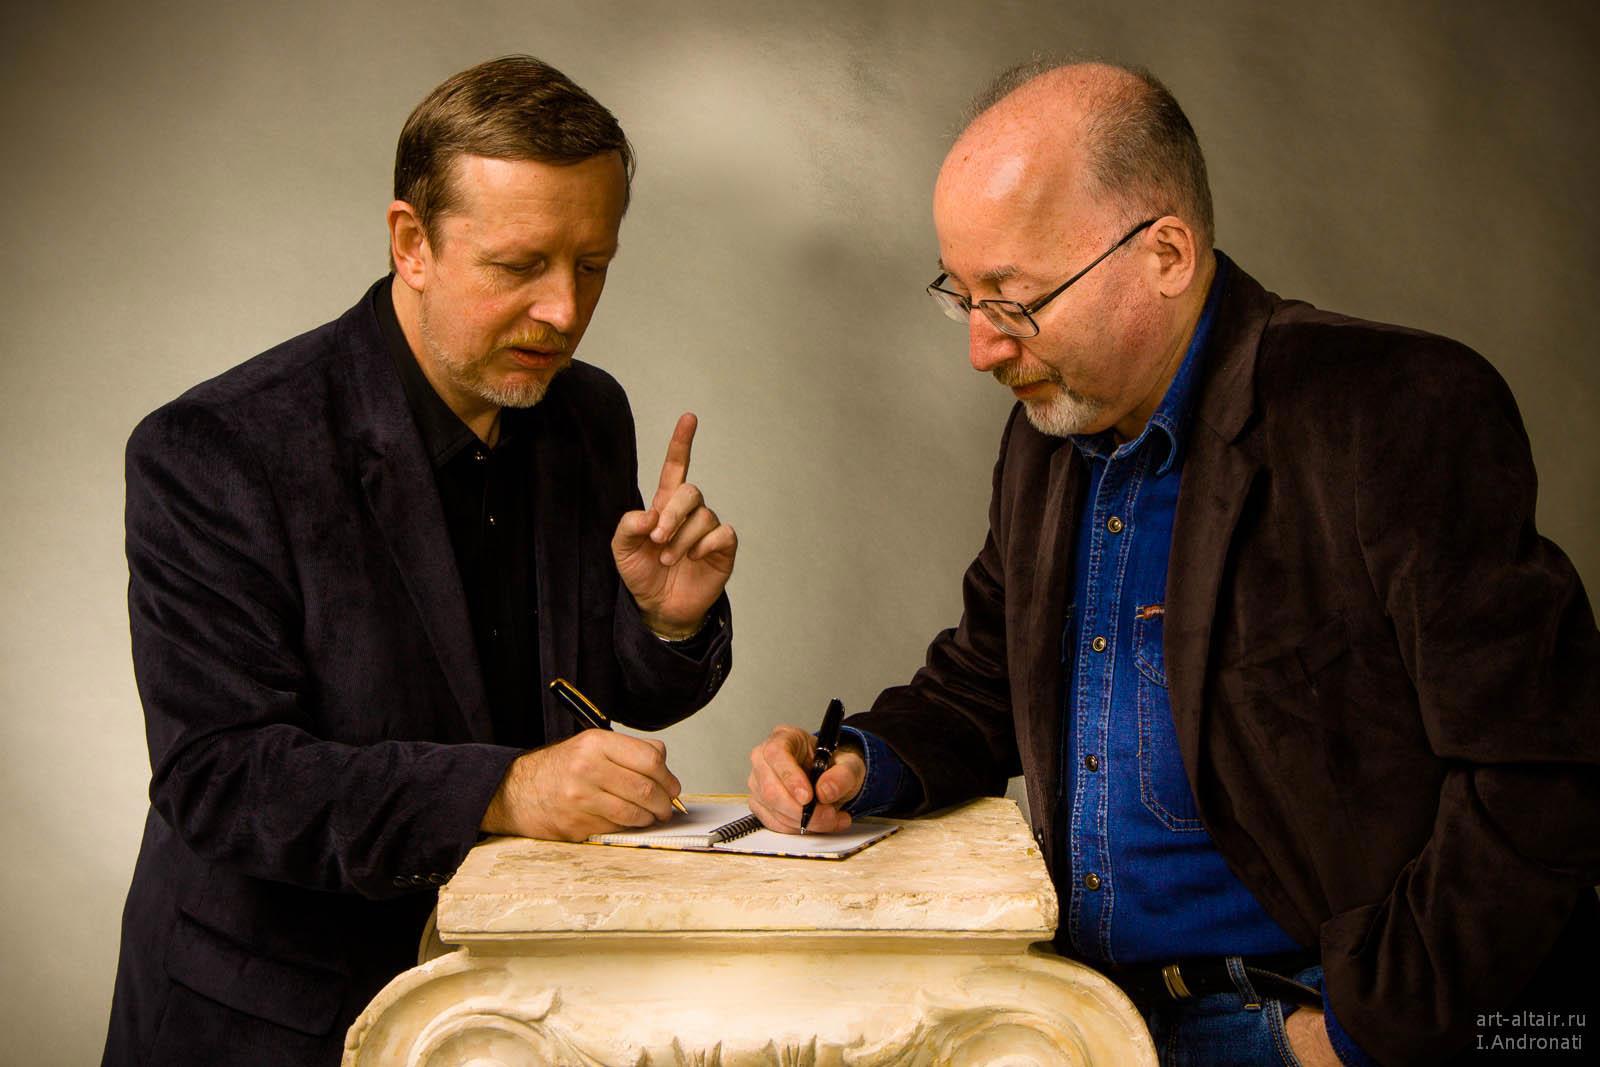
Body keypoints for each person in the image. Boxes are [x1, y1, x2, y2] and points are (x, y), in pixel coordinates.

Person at [748, 60, 1597, 1065]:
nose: (981, 348)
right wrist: (861, 760)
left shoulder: (1395, 410)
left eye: (1013, 299)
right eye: (961, 296)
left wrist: (1353, 1036)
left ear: (1165, 253)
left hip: (1302, 1023)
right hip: (1086, 1017)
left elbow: (1544, 773)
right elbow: (989, 675)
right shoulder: (1047, 433)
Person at [104, 55, 736, 1066]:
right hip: (275, 1023)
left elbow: (593, 696)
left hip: (519, 1008)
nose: (564, 311)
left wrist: (664, 621)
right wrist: (505, 790)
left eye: (592, 265)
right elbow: (221, 778)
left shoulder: (587, 411)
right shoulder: (216, 447)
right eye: (520, 265)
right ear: (412, 243)